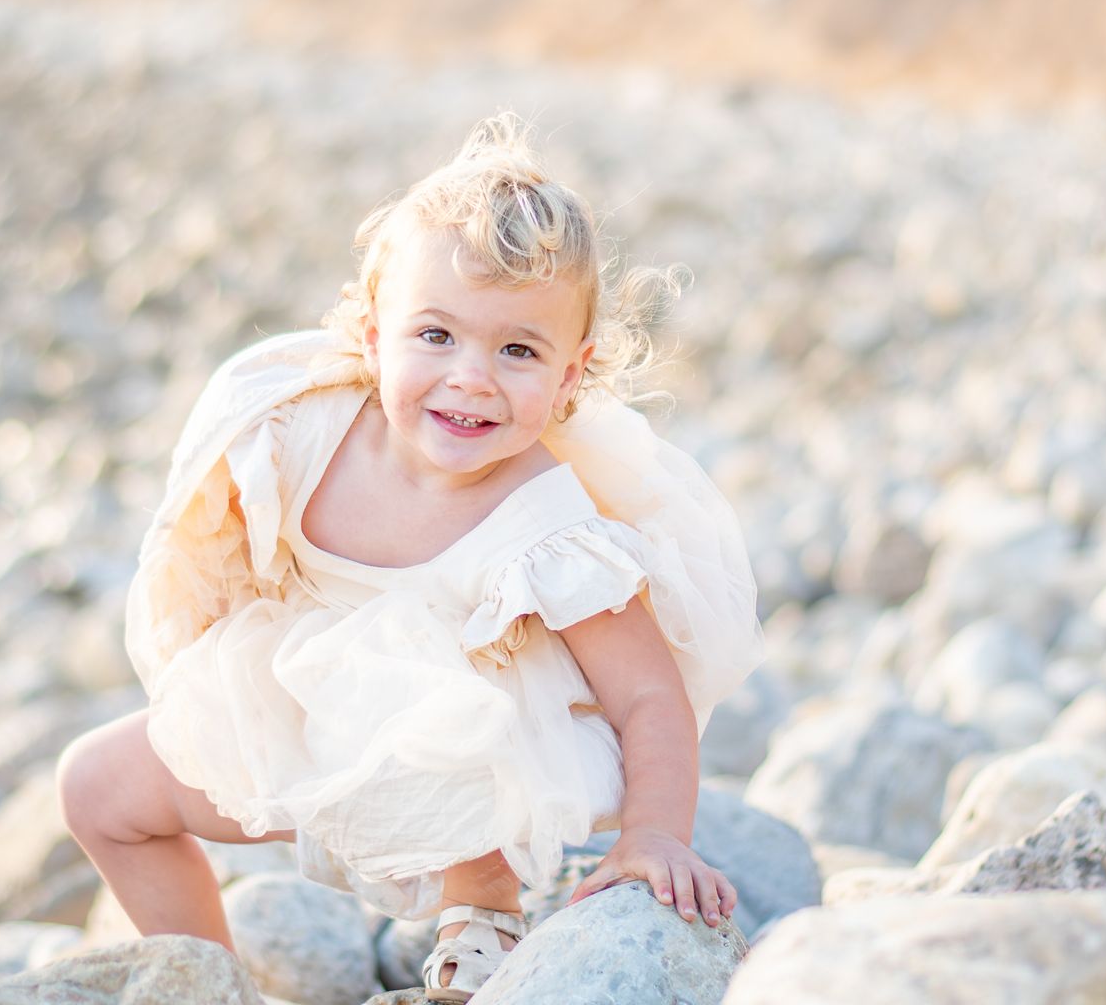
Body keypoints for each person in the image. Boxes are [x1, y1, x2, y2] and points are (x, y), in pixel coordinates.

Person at [57, 115, 764, 1001]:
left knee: (455, 736)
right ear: (369, 332)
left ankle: (482, 911)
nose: (470, 376)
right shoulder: (298, 429)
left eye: (517, 350)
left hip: (473, 767)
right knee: (96, 789)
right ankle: (206, 980)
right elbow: (203, 541)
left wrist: (656, 834)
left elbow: (649, 693)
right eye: (435, 335)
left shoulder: (545, 528)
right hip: (307, 710)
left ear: (572, 376)